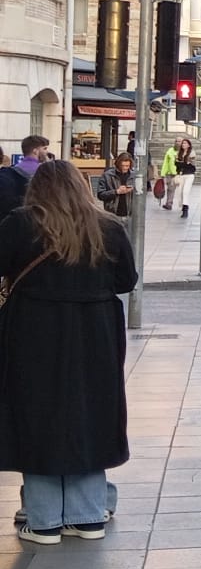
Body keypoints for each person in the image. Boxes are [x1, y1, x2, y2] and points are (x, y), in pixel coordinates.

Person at [0, 160, 136, 544]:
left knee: (36, 412)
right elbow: (126, 280)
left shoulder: (22, 223)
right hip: (96, 333)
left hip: (32, 331)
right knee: (90, 410)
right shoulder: (108, 226)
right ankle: (88, 513)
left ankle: (43, 518)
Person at [0, 135, 52, 220]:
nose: (47, 152)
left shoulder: (7, 172)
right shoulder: (45, 172)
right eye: (44, 148)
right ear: (35, 151)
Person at [94, 155, 141, 220]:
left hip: (129, 214)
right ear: (118, 164)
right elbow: (100, 195)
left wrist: (134, 190)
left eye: (127, 166)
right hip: (112, 214)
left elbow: (141, 195)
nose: (124, 168)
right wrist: (117, 192)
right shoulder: (107, 175)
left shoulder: (134, 176)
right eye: (122, 166)